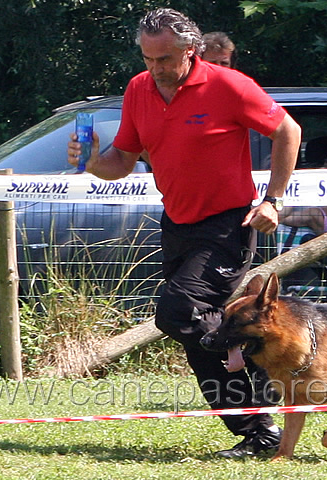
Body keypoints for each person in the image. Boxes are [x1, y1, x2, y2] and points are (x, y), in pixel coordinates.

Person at [67, 8, 301, 458]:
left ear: (190, 51)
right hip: (176, 223)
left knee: (179, 312)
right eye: (148, 59)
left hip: (227, 224)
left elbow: (287, 131)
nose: (155, 69)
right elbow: (121, 162)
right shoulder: (139, 89)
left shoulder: (228, 86)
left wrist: (272, 199)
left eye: (165, 59)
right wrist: (93, 160)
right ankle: (259, 430)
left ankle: (264, 371)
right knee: (198, 339)